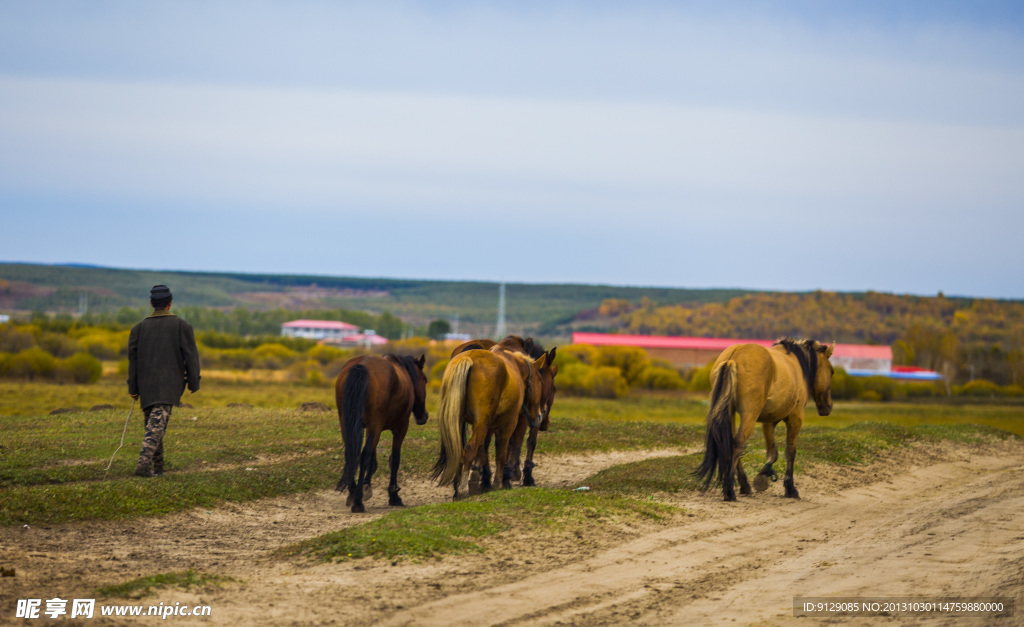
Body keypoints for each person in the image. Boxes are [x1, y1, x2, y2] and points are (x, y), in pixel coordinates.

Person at [127, 285, 201, 477]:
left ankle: (158, 469)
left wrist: (133, 388)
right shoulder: (182, 326)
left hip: (146, 386)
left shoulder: (138, 329)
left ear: (152, 303)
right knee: (155, 427)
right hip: (170, 385)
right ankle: (143, 466)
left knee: (154, 425)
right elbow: (191, 357)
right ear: (169, 304)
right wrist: (194, 382)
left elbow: (132, 362)